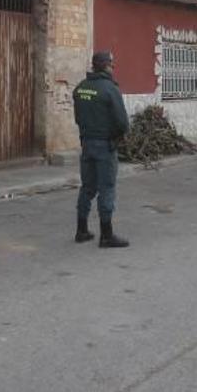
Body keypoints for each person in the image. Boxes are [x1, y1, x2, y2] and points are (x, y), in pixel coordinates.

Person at [73, 51, 131, 248]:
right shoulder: (109, 89)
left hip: (87, 144)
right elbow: (122, 122)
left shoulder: (80, 88)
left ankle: (81, 230)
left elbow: (78, 118)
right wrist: (118, 137)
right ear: (106, 66)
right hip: (105, 146)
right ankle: (106, 235)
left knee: (87, 187)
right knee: (106, 188)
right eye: (112, 65)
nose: (113, 68)